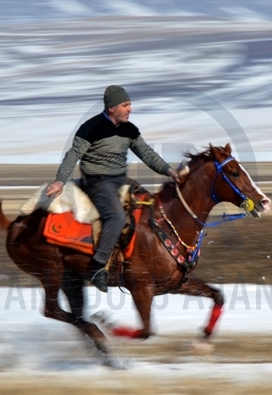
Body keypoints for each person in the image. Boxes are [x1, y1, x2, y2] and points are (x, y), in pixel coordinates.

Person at [48, 85, 178, 291]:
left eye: (130, 105)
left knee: (152, 204)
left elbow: (147, 154)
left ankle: (145, 257)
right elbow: (72, 155)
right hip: (98, 181)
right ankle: (98, 266)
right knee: (116, 217)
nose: (130, 109)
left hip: (121, 179)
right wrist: (60, 181)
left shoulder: (129, 130)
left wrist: (170, 172)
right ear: (112, 108)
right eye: (125, 105)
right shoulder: (90, 128)